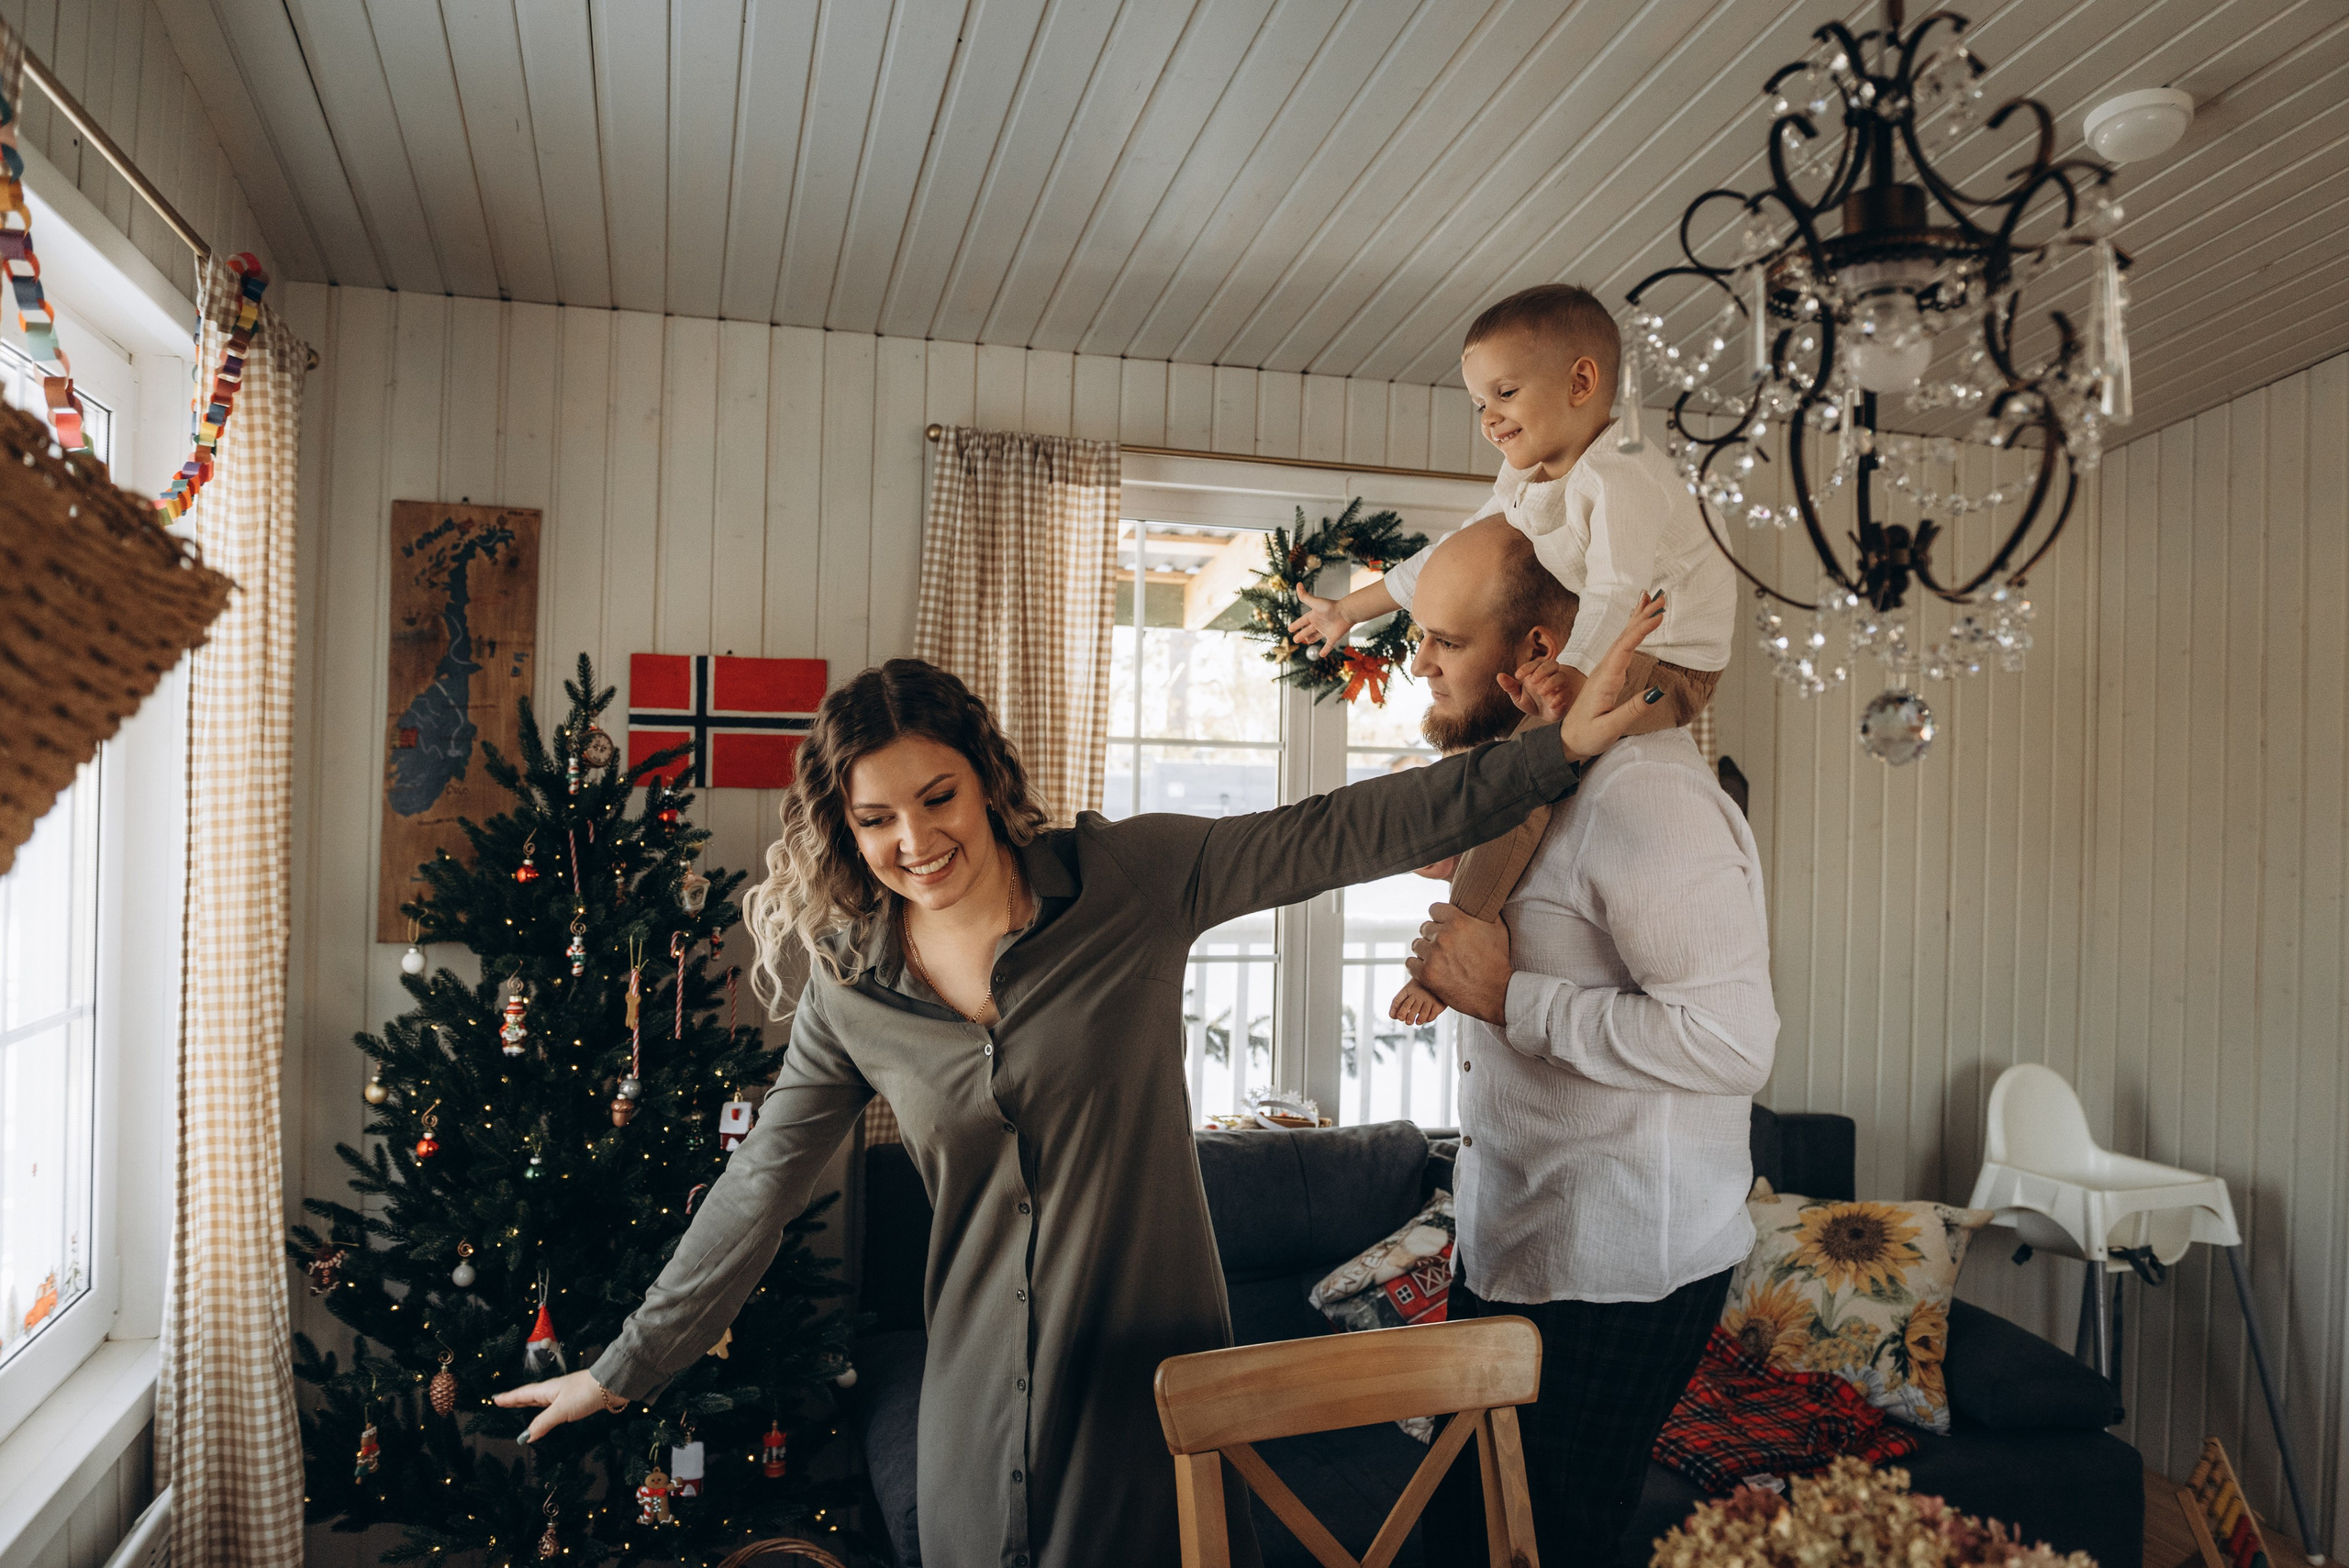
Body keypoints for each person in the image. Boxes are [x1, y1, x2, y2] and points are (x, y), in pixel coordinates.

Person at [494, 555, 1670, 1568]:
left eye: (937, 795)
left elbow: (1334, 831)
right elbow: (757, 1189)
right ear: (842, 825)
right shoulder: (854, 994)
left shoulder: (1130, 883)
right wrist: (624, 1364)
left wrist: (1550, 750)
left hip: (1155, 1387)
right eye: (875, 818)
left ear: (985, 776)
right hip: (973, 1404)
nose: (915, 840)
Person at [1397, 532, 1777, 1562]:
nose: (1417, 662)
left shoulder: (1644, 794)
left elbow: (1731, 1043)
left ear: (1533, 647)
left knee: (1537, 1549)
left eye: (1441, 639)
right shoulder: (1540, 779)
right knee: (1459, 1537)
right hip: (1512, 1241)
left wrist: (1510, 995)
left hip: (1614, 1269)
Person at [1288, 282, 1738, 728]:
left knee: (1542, 745)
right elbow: (1450, 553)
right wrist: (1349, 610)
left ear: (1579, 383)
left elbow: (1616, 589)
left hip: (1672, 662)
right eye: (1479, 403)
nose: (1488, 417)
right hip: (1620, 641)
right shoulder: (1526, 477)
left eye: (1505, 394)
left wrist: (1575, 673)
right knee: (1521, 736)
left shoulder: (1620, 477)